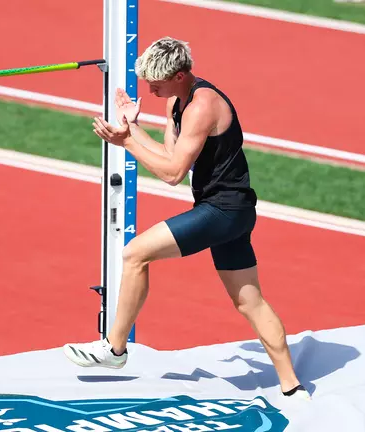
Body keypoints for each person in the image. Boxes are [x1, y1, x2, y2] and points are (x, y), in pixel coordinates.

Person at [62, 37, 310, 401]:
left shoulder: (201, 106)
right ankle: (292, 386)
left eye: (156, 84)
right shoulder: (176, 102)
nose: (151, 91)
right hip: (233, 209)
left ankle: (114, 349)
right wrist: (133, 128)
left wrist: (126, 142)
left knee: (135, 254)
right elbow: (170, 154)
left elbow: (172, 174)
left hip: (223, 209)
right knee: (249, 301)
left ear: (180, 75)